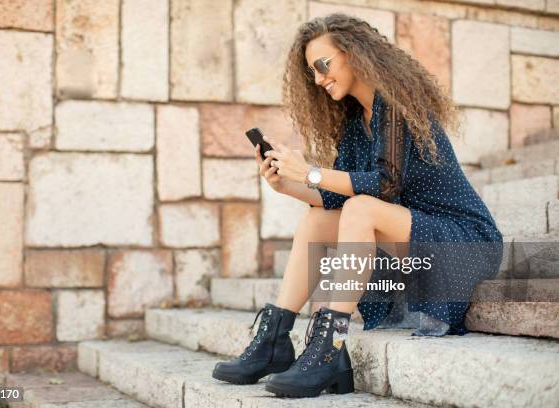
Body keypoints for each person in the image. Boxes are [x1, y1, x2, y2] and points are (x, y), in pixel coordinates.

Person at [212, 12, 503, 398]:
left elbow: (384, 184)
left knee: (361, 208)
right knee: (320, 219)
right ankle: (275, 341)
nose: (317, 79)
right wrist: (288, 184)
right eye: (312, 71)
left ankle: (329, 345)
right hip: (411, 241)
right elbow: (336, 196)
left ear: (355, 54)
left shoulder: (397, 104)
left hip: (464, 242)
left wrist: (311, 172)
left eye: (322, 65)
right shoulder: (355, 121)